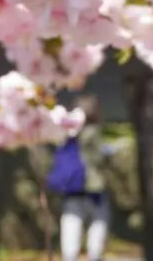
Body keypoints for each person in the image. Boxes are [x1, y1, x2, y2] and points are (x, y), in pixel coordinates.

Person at [48, 94, 109, 261]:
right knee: (98, 222)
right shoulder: (93, 132)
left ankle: (69, 256)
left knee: (71, 223)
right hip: (93, 188)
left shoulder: (66, 134)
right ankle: (95, 255)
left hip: (71, 188)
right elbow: (98, 157)